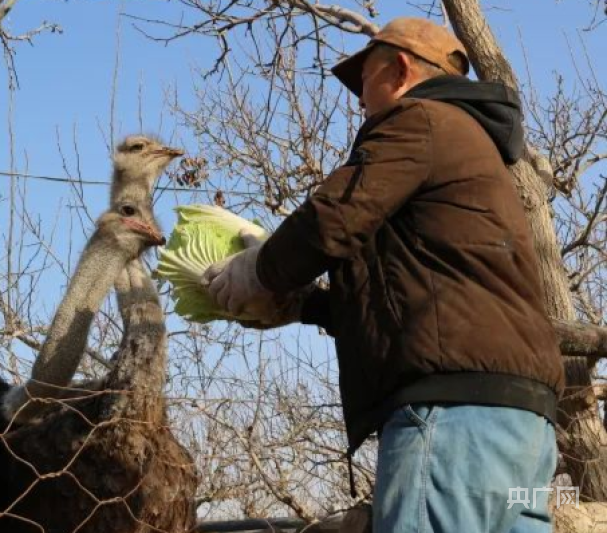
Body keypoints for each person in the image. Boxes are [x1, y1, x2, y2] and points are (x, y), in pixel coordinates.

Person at [202, 17, 564, 533]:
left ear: (398, 69)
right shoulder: (475, 151)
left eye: (364, 80)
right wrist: (305, 306)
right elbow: (417, 290)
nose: (358, 101)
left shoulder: (420, 118)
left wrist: (257, 271)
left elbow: (333, 219)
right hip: (521, 425)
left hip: (452, 416)